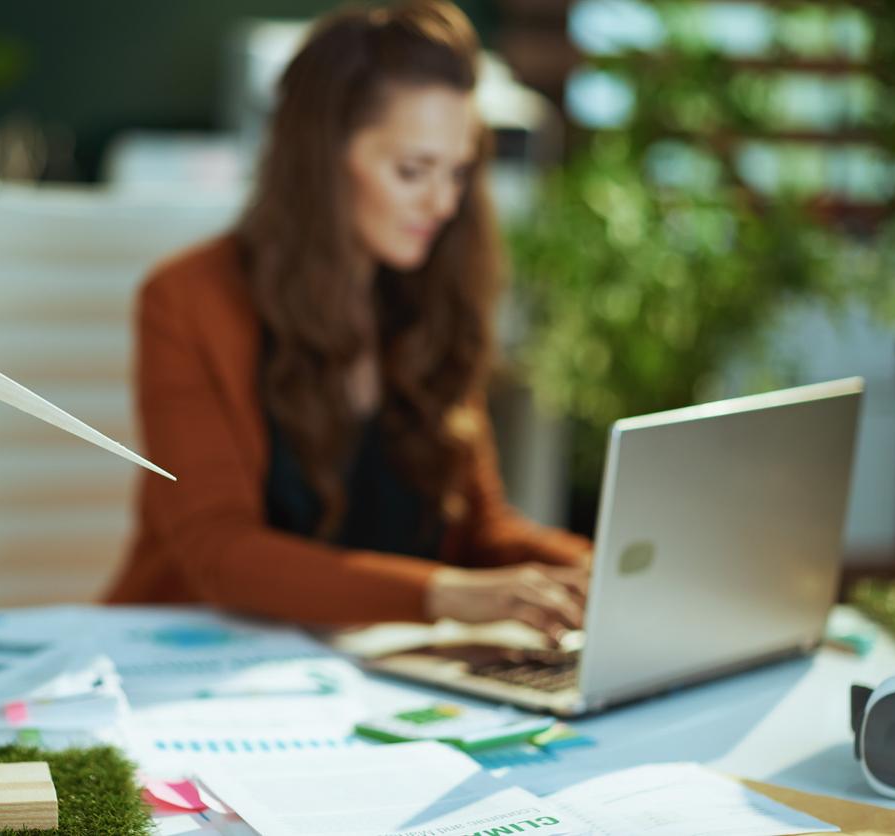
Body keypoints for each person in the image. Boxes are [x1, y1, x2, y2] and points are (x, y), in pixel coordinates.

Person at [105, 0, 591, 637]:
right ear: (322, 158)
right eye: (413, 171)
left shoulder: (428, 301)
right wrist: (446, 595)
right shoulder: (187, 299)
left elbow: (482, 532)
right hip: (195, 670)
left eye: (459, 174)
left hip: (377, 675)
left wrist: (600, 572)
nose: (443, 203)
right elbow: (220, 555)